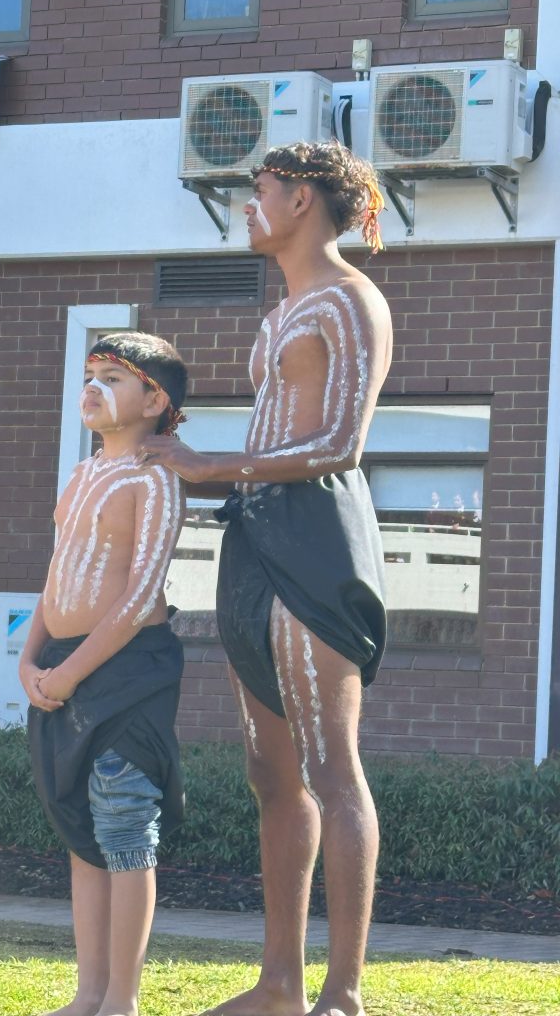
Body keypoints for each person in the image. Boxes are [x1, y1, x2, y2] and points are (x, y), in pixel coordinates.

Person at [139, 141, 393, 1016]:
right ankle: (280, 984)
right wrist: (173, 460)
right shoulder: (278, 315)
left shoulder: (352, 301)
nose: (248, 207)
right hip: (253, 537)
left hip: (316, 541)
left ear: (303, 202)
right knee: (269, 771)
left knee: (330, 766)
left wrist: (211, 466)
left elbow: (341, 446)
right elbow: (272, 437)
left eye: (261, 191)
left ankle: (343, 994)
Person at [19, 331, 188, 1016]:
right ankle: (88, 993)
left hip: (129, 673)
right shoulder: (83, 471)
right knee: (82, 834)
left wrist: (69, 675)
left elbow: (141, 596)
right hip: (63, 664)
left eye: (113, 379)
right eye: (90, 375)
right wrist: (31, 659)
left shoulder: (156, 479)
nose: (92, 387)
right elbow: (57, 572)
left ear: (154, 401)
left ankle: (122, 999)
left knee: (123, 825)